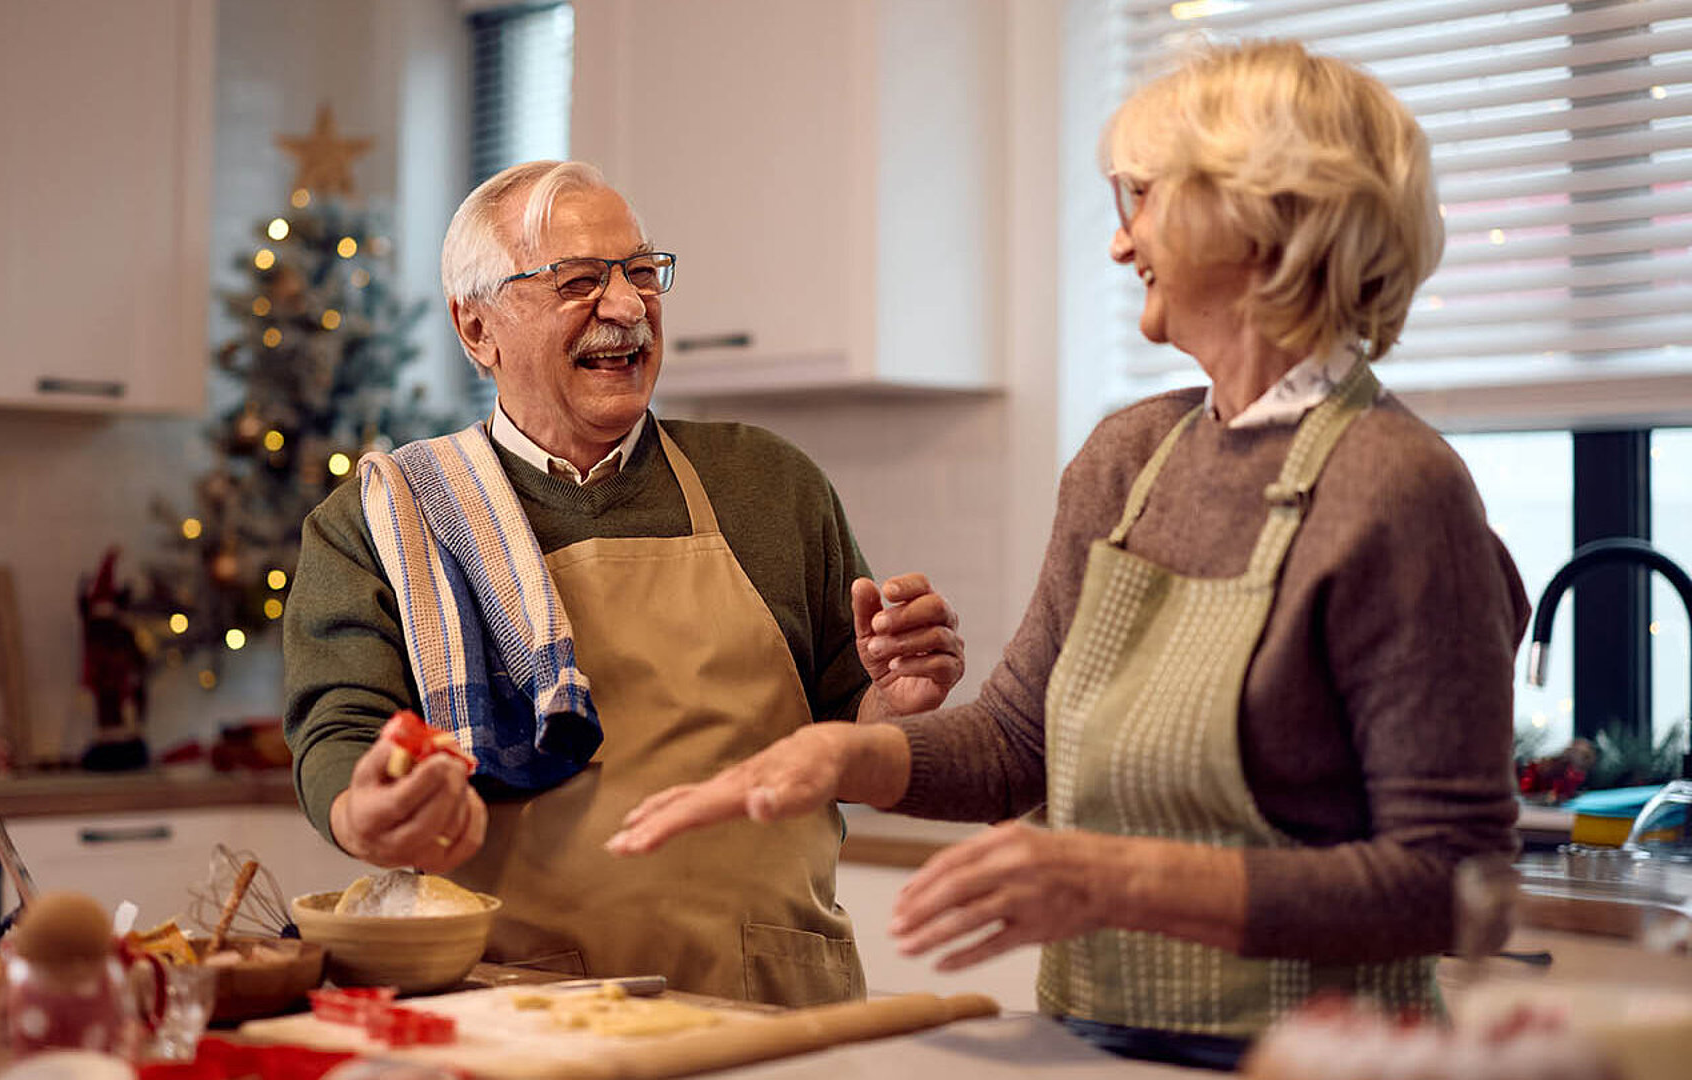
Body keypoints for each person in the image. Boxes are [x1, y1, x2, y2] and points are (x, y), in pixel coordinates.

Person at [607, 40, 1529, 1063]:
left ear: (1259, 216)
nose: (1121, 243)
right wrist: (842, 755)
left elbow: (1451, 881)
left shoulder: (1398, 488)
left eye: (1142, 197)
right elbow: (1017, 744)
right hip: (1092, 1042)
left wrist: (1114, 879)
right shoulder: (1129, 458)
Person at [282, 159, 966, 1007]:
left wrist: (895, 700)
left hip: (776, 1005)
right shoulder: (388, 519)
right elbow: (341, 734)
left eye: (642, 272)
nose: (628, 307)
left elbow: (849, 725)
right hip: (522, 1017)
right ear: (477, 328)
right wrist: (366, 812)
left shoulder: (769, 485)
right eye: (578, 282)